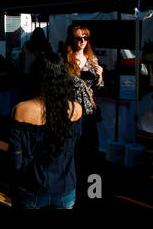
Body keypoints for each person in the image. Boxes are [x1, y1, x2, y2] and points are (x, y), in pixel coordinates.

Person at [8, 52, 83, 209]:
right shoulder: (76, 109)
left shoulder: (21, 110)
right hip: (66, 188)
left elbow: (16, 161)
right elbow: (76, 148)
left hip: (32, 188)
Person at [64, 24, 104, 206]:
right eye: (79, 38)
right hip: (72, 110)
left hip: (88, 111)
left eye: (85, 38)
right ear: (72, 39)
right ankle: (71, 184)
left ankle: (90, 189)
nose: (82, 41)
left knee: (88, 148)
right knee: (72, 148)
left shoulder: (92, 58)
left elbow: (98, 88)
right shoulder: (66, 59)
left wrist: (100, 76)